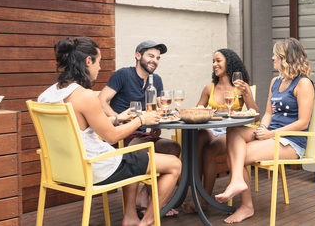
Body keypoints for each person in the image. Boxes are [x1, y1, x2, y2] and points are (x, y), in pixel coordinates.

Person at [38, 37, 181, 226]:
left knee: (143, 153)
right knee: (174, 165)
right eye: (99, 62)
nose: (100, 68)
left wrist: (117, 118)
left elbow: (82, 124)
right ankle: (147, 222)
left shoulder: (46, 95)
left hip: (67, 169)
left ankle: (130, 216)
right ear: (88, 61)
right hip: (100, 167)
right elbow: (111, 136)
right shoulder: (85, 96)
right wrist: (140, 120)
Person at [214, 38, 315, 223]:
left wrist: (270, 134)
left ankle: (246, 206)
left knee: (236, 156)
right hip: (271, 134)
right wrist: (262, 129)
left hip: (291, 141)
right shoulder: (275, 82)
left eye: (275, 55)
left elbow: (302, 122)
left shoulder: (303, 84)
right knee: (233, 131)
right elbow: (268, 113)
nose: (272, 58)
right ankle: (237, 181)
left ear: (286, 58)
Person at [184, 49, 259, 213]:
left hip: (231, 132)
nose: (214, 64)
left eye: (218, 61)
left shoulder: (240, 88)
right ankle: (193, 190)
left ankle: (204, 198)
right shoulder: (209, 88)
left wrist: (247, 94)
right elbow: (198, 110)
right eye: (213, 61)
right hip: (211, 129)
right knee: (197, 139)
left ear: (229, 63)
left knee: (209, 150)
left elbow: (255, 115)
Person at [98, 40, 180, 157]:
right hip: (121, 134)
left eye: (158, 58)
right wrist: (118, 118)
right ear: (138, 55)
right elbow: (101, 101)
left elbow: (160, 108)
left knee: (173, 147)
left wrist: (156, 124)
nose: (155, 61)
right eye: (151, 56)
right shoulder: (123, 74)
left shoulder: (156, 80)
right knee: (153, 150)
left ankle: (159, 174)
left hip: (141, 134)